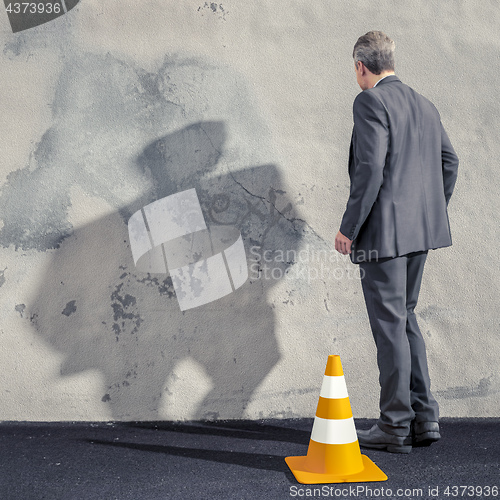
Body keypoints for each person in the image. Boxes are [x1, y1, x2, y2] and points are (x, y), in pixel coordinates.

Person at [335, 31, 459, 453]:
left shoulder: (370, 101)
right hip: (419, 234)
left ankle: (393, 426)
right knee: (405, 319)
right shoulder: (424, 104)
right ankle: (424, 418)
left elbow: (369, 168)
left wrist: (348, 229)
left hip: (384, 238)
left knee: (391, 328)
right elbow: (449, 162)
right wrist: (427, 211)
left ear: (360, 66)